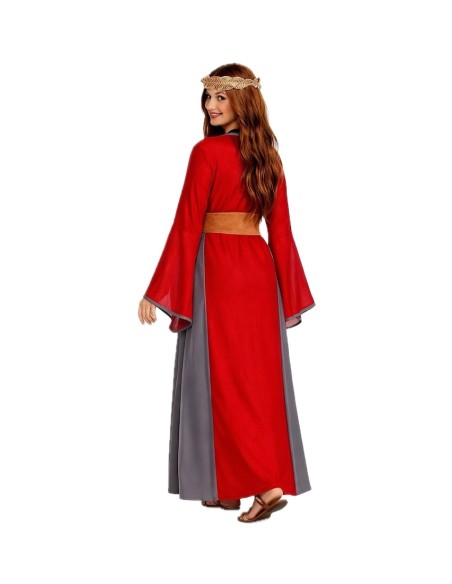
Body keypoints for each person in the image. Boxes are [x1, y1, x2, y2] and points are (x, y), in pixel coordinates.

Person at [138, 63, 315, 523]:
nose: (211, 106)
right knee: (255, 383)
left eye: (221, 96)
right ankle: (227, 487)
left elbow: (187, 224)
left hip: (216, 274)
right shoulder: (269, 158)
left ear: (243, 100)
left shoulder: (206, 153)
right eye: (208, 96)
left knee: (219, 382)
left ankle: (265, 485)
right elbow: (281, 234)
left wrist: (158, 290)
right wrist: (289, 293)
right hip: (259, 275)